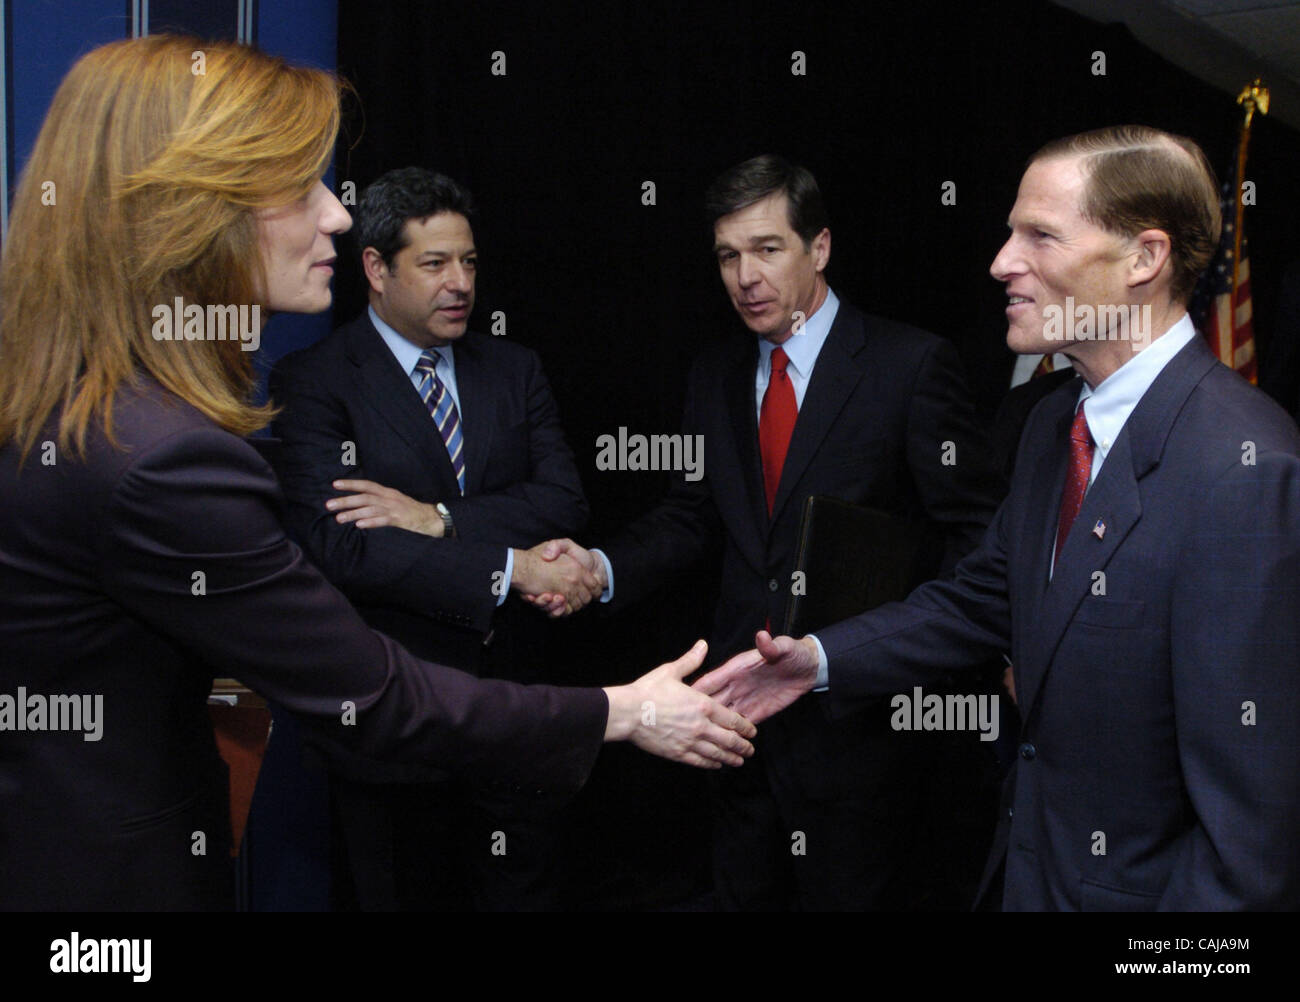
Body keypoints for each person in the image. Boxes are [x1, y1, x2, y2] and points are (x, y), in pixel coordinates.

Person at [0, 34, 754, 912]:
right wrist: (623, 711)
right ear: (189, 207)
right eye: (295, 187)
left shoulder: (75, 406)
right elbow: (372, 689)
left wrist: (435, 520)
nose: (335, 214)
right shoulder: (166, 455)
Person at [697, 126, 1300, 910]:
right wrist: (814, 659)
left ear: (1145, 260)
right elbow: (982, 597)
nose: (1001, 262)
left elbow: (1251, 842)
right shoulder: (1053, 428)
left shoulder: (1244, 467)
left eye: (1040, 236)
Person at [530, 155, 1005, 909]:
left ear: (818, 248)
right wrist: (598, 564)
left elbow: (973, 538)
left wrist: (899, 660)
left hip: (861, 729)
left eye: (767, 248)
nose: (744, 275)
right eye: (728, 255)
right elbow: (690, 516)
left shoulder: (909, 365)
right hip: (733, 721)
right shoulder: (714, 375)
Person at [269, 168, 596, 909]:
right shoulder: (315, 381)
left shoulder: (514, 368)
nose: (460, 284)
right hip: (395, 726)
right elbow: (343, 548)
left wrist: (438, 518)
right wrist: (508, 567)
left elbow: (563, 499)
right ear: (376, 270)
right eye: (435, 264)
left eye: (470, 263)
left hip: (519, 713)